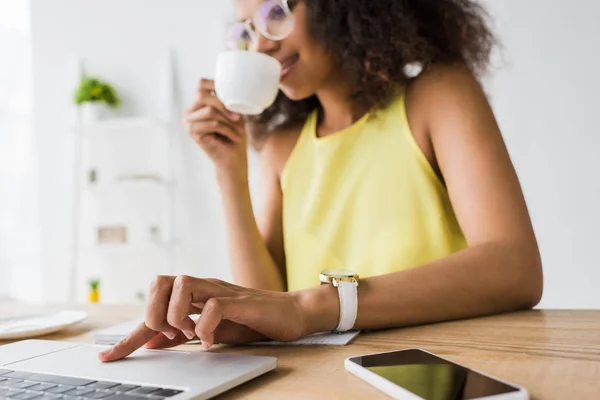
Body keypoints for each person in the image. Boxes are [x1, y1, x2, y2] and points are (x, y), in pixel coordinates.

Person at [100, 0, 543, 362]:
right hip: (326, 380)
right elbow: (270, 309)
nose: (261, 45)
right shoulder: (281, 149)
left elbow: (514, 268)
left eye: (275, 14)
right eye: (246, 33)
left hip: (443, 365)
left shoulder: (438, 96)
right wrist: (228, 170)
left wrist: (315, 306)